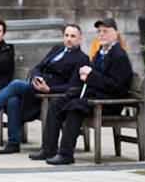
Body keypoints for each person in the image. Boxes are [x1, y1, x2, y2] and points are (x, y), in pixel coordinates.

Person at [0, 24, 90, 153]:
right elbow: (37, 67)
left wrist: (49, 89)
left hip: (50, 95)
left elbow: (72, 87)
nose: (69, 39)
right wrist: (36, 78)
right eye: (66, 35)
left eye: (73, 36)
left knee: (16, 84)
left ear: (80, 39)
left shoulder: (82, 58)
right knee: (13, 100)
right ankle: (14, 143)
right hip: (35, 88)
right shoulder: (57, 49)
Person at [29, 18, 133, 164]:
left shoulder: (119, 56)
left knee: (76, 107)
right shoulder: (100, 53)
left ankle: (66, 154)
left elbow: (115, 85)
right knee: (57, 102)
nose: (101, 35)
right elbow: (96, 79)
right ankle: (48, 149)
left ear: (115, 35)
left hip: (109, 102)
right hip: (95, 97)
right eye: (99, 31)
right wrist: (86, 77)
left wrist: (91, 75)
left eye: (105, 31)